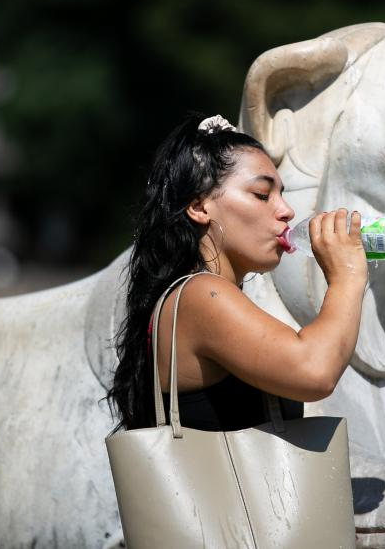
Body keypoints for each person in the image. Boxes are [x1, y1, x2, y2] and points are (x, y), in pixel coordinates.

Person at [107, 112, 368, 432]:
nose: (286, 211)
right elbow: (315, 371)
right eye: (262, 194)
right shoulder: (201, 295)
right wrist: (347, 276)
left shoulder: (196, 294)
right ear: (199, 207)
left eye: (282, 194)